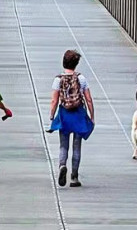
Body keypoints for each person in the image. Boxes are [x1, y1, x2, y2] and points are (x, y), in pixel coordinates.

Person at [49, 49, 95, 187]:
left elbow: (54, 100)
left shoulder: (58, 79)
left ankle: (62, 165)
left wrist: (52, 115)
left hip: (64, 114)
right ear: (76, 64)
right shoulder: (81, 78)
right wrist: (92, 116)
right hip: (78, 114)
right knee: (77, 146)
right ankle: (74, 177)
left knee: (63, 145)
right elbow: (89, 99)